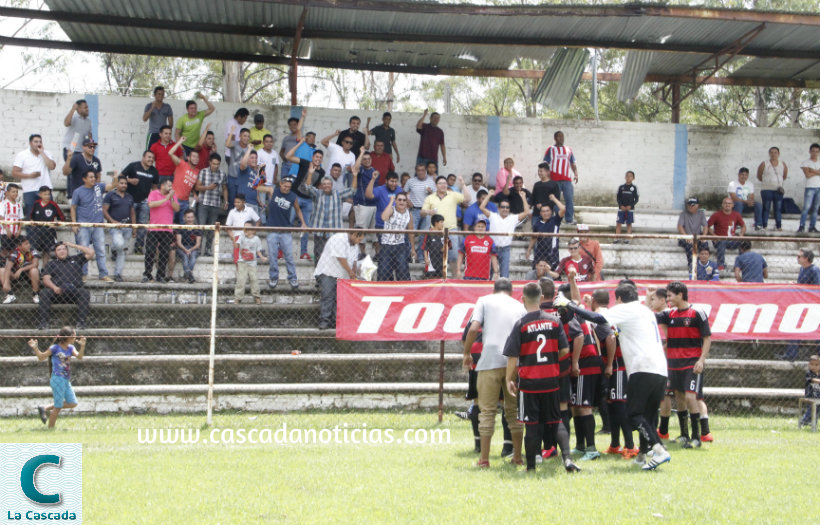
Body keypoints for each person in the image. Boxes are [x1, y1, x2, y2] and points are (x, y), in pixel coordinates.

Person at [558, 276, 672, 470]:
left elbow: (597, 318)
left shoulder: (624, 309)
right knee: (649, 415)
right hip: (660, 368)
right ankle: (642, 456)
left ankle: (659, 451)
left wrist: (570, 305)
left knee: (634, 414)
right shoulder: (645, 310)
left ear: (618, 298)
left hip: (641, 367)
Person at [503, 281, 578, 473]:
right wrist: (551, 358)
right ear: (542, 298)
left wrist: (509, 379)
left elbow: (513, 356)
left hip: (529, 383)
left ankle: (530, 467)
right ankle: (568, 459)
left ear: (523, 299)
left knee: (532, 424)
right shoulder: (554, 321)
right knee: (556, 420)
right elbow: (564, 350)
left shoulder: (521, 324)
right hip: (551, 381)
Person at [462, 278, 526, 468]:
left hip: (489, 360)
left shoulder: (484, 300)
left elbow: (474, 327)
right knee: (513, 412)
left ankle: (484, 459)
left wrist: (467, 352)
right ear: (511, 291)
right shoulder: (519, 306)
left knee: (487, 411)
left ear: (494, 289)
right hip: (512, 362)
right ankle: (517, 456)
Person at [655, 281, 712, 449]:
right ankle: (684, 434)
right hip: (673, 364)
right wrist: (650, 297)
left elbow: (707, 338)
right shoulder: (669, 314)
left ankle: (696, 437)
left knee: (690, 397)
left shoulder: (697, 313)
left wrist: (701, 360)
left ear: (680, 295)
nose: (668, 299)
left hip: (691, 363)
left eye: (670, 296)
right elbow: (648, 316)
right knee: (679, 398)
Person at [590, 289, 639, 459]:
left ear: (593, 301)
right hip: (614, 367)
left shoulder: (601, 318)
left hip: (618, 367)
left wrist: (610, 364)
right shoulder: (610, 314)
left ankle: (631, 446)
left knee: (619, 405)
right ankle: (615, 444)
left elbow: (611, 338)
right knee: (611, 405)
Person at [29, 327, 86, 428]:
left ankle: (44, 408)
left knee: (72, 402)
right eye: (74, 336)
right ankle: (51, 428)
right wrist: (35, 348)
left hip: (65, 379)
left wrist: (82, 346)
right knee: (58, 406)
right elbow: (41, 357)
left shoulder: (71, 348)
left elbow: (80, 357)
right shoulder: (55, 348)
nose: (75, 338)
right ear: (68, 337)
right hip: (57, 379)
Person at [300, 165, 357, 264]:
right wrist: (310, 173)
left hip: (334, 234)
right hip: (320, 233)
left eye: (328, 184)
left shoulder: (338, 195)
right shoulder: (317, 194)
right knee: (319, 256)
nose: (326, 186)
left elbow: (353, 190)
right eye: (324, 184)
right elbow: (308, 187)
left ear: (331, 185)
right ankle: (319, 278)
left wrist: (355, 176)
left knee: (333, 257)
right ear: (321, 186)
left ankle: (331, 278)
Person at [260, 178, 305, 290]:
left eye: (289, 187)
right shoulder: (272, 190)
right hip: (272, 229)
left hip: (285, 230)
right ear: (280, 184)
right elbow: (257, 187)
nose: (287, 189)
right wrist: (259, 177)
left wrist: (303, 223)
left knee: (289, 256)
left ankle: (293, 277)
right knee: (273, 256)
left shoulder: (292, 196)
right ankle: (274, 277)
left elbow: (298, 210)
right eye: (285, 186)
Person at [314, 230, 364, 330]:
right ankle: (324, 320)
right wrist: (351, 272)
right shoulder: (339, 238)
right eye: (358, 239)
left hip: (342, 275)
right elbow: (341, 258)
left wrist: (353, 274)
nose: (359, 242)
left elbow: (354, 262)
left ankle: (335, 321)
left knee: (339, 299)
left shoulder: (355, 246)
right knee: (328, 295)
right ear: (354, 234)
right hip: (328, 272)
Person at [39, 241, 95, 330]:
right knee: (44, 293)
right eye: (59, 250)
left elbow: (91, 252)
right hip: (58, 292)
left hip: (74, 292)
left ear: (67, 250)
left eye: (64, 249)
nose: (62, 251)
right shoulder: (51, 264)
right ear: (56, 253)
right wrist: (55, 288)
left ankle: (81, 323)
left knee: (84, 293)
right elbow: (46, 279)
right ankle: (43, 323)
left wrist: (72, 245)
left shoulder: (76, 259)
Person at [70, 170, 114, 282]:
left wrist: (115, 177)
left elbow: (113, 186)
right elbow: (73, 207)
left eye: (94, 177)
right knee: (84, 251)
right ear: (84, 179)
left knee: (101, 250)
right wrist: (74, 223)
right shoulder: (78, 191)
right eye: (90, 177)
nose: (93, 179)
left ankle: (103, 274)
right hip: (83, 224)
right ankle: (83, 275)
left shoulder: (99, 187)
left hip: (98, 224)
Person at [286, 139, 326, 260]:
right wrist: (299, 144)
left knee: (305, 226)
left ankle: (303, 252)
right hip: (296, 196)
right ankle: (281, 251)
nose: (318, 159)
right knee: (288, 223)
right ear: (312, 157)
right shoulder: (304, 162)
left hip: (308, 200)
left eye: (320, 157)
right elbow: (288, 156)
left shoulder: (321, 172)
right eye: (316, 157)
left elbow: (313, 186)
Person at [479, 191, 530, 278]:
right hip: (493, 248)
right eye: (503, 207)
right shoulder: (493, 216)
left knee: (504, 275)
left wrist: (523, 198)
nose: (505, 209)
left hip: (505, 249)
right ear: (498, 208)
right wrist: (489, 195)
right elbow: (482, 207)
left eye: (507, 207)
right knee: (489, 273)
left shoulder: (513, 218)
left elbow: (526, 212)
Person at [121, 150, 159, 255]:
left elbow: (155, 188)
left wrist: (152, 200)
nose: (151, 159)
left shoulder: (154, 171)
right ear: (143, 157)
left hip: (144, 202)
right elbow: (120, 177)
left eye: (152, 158)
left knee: (142, 224)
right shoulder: (133, 166)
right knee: (127, 223)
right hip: (130, 200)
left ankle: (139, 246)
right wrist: (130, 181)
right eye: (149, 157)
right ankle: (123, 247)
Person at [142, 179, 179, 283]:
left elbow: (177, 209)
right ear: (162, 185)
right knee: (150, 252)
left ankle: (160, 276)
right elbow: (151, 205)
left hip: (167, 229)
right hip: (154, 228)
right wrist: (166, 198)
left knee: (164, 253)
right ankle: (147, 275)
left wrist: (171, 198)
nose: (170, 188)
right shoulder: (154, 193)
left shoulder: (172, 196)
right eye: (169, 185)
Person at [422, 175, 464, 262]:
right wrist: (428, 212)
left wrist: (463, 184)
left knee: (454, 258)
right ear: (436, 185)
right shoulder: (430, 197)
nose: (443, 185)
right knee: (436, 257)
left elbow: (468, 199)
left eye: (445, 183)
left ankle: (453, 275)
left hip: (451, 230)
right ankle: (438, 275)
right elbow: (422, 213)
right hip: (435, 232)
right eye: (440, 183)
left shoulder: (453, 195)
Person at [102, 175, 136, 282]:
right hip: (115, 226)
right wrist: (112, 221)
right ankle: (113, 249)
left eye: (125, 183)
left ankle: (117, 274)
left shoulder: (130, 196)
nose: (123, 185)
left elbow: (132, 213)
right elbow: (104, 210)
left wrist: (134, 227)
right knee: (120, 246)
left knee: (122, 251)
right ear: (117, 184)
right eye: (121, 183)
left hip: (127, 227)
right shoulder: (110, 195)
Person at [12, 134, 55, 217]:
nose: (38, 143)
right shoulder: (22, 155)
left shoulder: (47, 153)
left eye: (40, 141)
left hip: (45, 189)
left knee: (48, 216)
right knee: (30, 215)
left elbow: (52, 166)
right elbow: (14, 173)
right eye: (35, 141)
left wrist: (42, 153)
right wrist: (30, 176)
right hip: (30, 190)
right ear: (30, 143)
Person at [195, 152, 227, 256]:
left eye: (217, 164)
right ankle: (199, 249)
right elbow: (197, 187)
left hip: (215, 204)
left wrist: (226, 201)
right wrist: (208, 187)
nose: (215, 166)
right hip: (203, 203)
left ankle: (208, 249)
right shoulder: (203, 172)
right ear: (209, 162)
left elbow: (225, 189)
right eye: (214, 164)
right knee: (201, 226)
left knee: (212, 228)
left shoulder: (222, 174)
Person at [544, 131, 578, 224]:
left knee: (569, 199)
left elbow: (572, 163)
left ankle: (569, 219)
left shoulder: (568, 149)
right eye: (558, 136)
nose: (561, 138)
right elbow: (546, 163)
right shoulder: (551, 149)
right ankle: (558, 217)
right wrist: (546, 177)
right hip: (554, 179)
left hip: (567, 179)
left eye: (562, 136)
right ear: (555, 138)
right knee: (555, 200)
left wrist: (576, 173)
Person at [229, 221, 268, 305]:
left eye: (248, 229)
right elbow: (236, 246)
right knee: (241, 280)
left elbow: (258, 251)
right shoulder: (242, 237)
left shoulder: (256, 239)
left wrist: (262, 257)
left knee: (254, 279)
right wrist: (234, 238)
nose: (245, 230)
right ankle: (238, 298)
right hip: (242, 262)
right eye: (244, 228)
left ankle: (257, 297)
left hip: (252, 263)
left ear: (252, 230)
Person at [378, 193, 414, 281]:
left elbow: (411, 232)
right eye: (399, 200)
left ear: (406, 202)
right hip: (386, 245)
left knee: (403, 271)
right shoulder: (391, 210)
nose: (401, 202)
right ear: (396, 201)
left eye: (404, 200)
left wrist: (413, 248)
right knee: (384, 271)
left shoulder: (409, 214)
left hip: (400, 245)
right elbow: (383, 217)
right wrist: (391, 202)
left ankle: (404, 291)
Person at [405, 163, 437, 260]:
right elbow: (405, 192)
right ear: (416, 171)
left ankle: (421, 257)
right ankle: (411, 256)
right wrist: (408, 201)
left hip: (426, 211)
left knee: (424, 235)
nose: (420, 172)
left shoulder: (431, 182)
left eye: (422, 170)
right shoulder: (410, 181)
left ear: (426, 170)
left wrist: (431, 192)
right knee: (411, 234)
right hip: (414, 210)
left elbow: (436, 196)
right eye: (418, 170)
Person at [28, 186, 65, 267]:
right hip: (37, 231)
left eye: (48, 194)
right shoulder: (36, 204)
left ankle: (44, 269)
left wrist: (55, 224)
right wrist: (32, 222)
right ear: (40, 194)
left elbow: (62, 218)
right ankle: (34, 267)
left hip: (48, 232)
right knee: (34, 250)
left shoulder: (53, 205)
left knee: (47, 251)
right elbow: (31, 216)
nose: (47, 196)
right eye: (45, 194)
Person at [526, 195, 564, 270]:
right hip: (539, 253)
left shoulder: (555, 220)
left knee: (553, 275)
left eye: (547, 211)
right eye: (543, 211)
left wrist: (554, 199)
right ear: (540, 213)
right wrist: (529, 250)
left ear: (551, 212)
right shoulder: (537, 223)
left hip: (552, 253)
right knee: (537, 274)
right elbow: (534, 238)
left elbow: (563, 209)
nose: (545, 213)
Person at [708, 197, 745, 270]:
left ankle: (741, 264)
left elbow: (743, 226)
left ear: (732, 205)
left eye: (729, 203)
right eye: (725, 203)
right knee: (722, 241)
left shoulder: (736, 215)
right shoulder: (716, 215)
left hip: (731, 241)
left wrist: (741, 234)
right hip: (719, 241)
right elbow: (707, 226)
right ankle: (720, 265)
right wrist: (714, 235)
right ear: (722, 205)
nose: (727, 205)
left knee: (744, 242)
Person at [756, 146, 788, 232]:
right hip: (766, 190)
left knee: (778, 208)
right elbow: (759, 176)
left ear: (779, 154)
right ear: (769, 154)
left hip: (778, 190)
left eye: (775, 152)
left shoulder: (782, 164)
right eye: (771, 152)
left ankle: (778, 226)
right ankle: (764, 225)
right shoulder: (764, 163)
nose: (773, 154)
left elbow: (784, 176)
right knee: (766, 208)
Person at [1, 236, 40, 304]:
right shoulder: (15, 252)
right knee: (1, 270)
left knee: (34, 270)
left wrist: (21, 269)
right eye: (26, 244)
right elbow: (8, 267)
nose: (29, 245)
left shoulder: (33, 250)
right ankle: (10, 294)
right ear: (19, 246)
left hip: (29, 275)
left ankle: (35, 294)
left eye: (29, 243)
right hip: (16, 275)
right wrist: (6, 282)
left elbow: (35, 264)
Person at [167, 141, 199, 222]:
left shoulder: (197, 171)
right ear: (188, 158)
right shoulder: (182, 164)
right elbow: (170, 153)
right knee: (170, 222)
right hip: (174, 199)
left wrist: (195, 194)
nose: (196, 158)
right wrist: (180, 142)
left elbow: (189, 184)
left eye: (197, 157)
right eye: (194, 156)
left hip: (186, 202)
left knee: (183, 226)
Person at [225, 126, 253, 208]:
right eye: (244, 136)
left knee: (241, 201)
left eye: (248, 136)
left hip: (243, 179)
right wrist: (232, 131)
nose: (246, 138)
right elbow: (227, 144)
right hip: (232, 177)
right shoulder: (235, 144)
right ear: (240, 136)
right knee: (232, 200)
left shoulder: (250, 147)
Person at [677, 197, 709, 268]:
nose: (690, 206)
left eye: (693, 205)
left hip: (697, 237)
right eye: (689, 205)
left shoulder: (701, 213)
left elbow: (705, 226)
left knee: (705, 244)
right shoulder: (683, 214)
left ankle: (704, 264)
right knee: (689, 245)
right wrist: (686, 237)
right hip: (685, 237)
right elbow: (680, 226)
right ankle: (692, 265)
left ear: (698, 205)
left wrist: (703, 236)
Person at [728, 167, 762, 231]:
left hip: (745, 205)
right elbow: (734, 198)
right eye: (742, 174)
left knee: (758, 205)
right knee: (739, 203)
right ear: (738, 175)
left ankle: (758, 225)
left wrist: (750, 202)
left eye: (746, 175)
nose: (744, 176)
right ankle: (737, 223)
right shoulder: (732, 184)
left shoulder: (750, 184)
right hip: (734, 206)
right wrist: (746, 202)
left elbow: (751, 196)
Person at [174, 209, 202, 284]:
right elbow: (179, 243)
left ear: (194, 218)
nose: (190, 219)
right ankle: (190, 275)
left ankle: (187, 274)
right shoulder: (180, 228)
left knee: (192, 256)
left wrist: (190, 250)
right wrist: (186, 250)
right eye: (188, 217)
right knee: (185, 256)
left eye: (192, 217)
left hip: (194, 248)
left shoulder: (197, 228)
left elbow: (198, 244)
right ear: (184, 218)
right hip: (182, 247)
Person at [798, 143, 820, 233]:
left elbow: (811, 173)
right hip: (810, 187)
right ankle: (801, 226)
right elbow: (807, 175)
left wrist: (812, 170)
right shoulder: (805, 162)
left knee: (815, 208)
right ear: (810, 152)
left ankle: (812, 227)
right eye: (813, 151)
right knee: (806, 207)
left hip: (819, 187)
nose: (815, 153)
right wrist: (818, 171)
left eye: (817, 151)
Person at [615, 170, 639, 241]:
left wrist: (631, 206)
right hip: (621, 209)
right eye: (627, 176)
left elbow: (636, 199)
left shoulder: (634, 188)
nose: (628, 177)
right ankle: (617, 238)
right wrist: (621, 205)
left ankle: (627, 239)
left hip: (630, 210)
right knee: (619, 223)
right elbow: (618, 198)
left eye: (630, 176)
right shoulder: (621, 187)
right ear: (625, 177)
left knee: (629, 224)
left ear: (633, 178)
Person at [0, 183, 24, 256]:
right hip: (5, 232)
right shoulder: (3, 204)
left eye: (17, 191)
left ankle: (11, 265)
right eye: (13, 191)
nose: (15, 193)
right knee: (4, 250)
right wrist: (7, 229)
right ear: (7, 193)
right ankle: (2, 265)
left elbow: (20, 219)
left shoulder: (19, 205)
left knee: (13, 250)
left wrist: (19, 230)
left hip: (15, 232)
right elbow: (1, 217)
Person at [422, 214, 448, 278]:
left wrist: (446, 240)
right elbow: (425, 247)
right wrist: (426, 258)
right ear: (436, 223)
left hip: (440, 261)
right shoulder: (429, 233)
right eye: (441, 222)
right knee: (430, 278)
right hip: (431, 260)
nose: (443, 224)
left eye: (443, 222)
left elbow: (444, 249)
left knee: (440, 278)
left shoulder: (444, 234)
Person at [799, 355, 820, 428]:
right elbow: (812, 380)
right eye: (812, 364)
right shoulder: (809, 373)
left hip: (818, 396)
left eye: (816, 365)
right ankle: (804, 421)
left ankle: (813, 423)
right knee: (810, 410)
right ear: (809, 365)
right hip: (810, 395)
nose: (814, 367)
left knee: (817, 411)